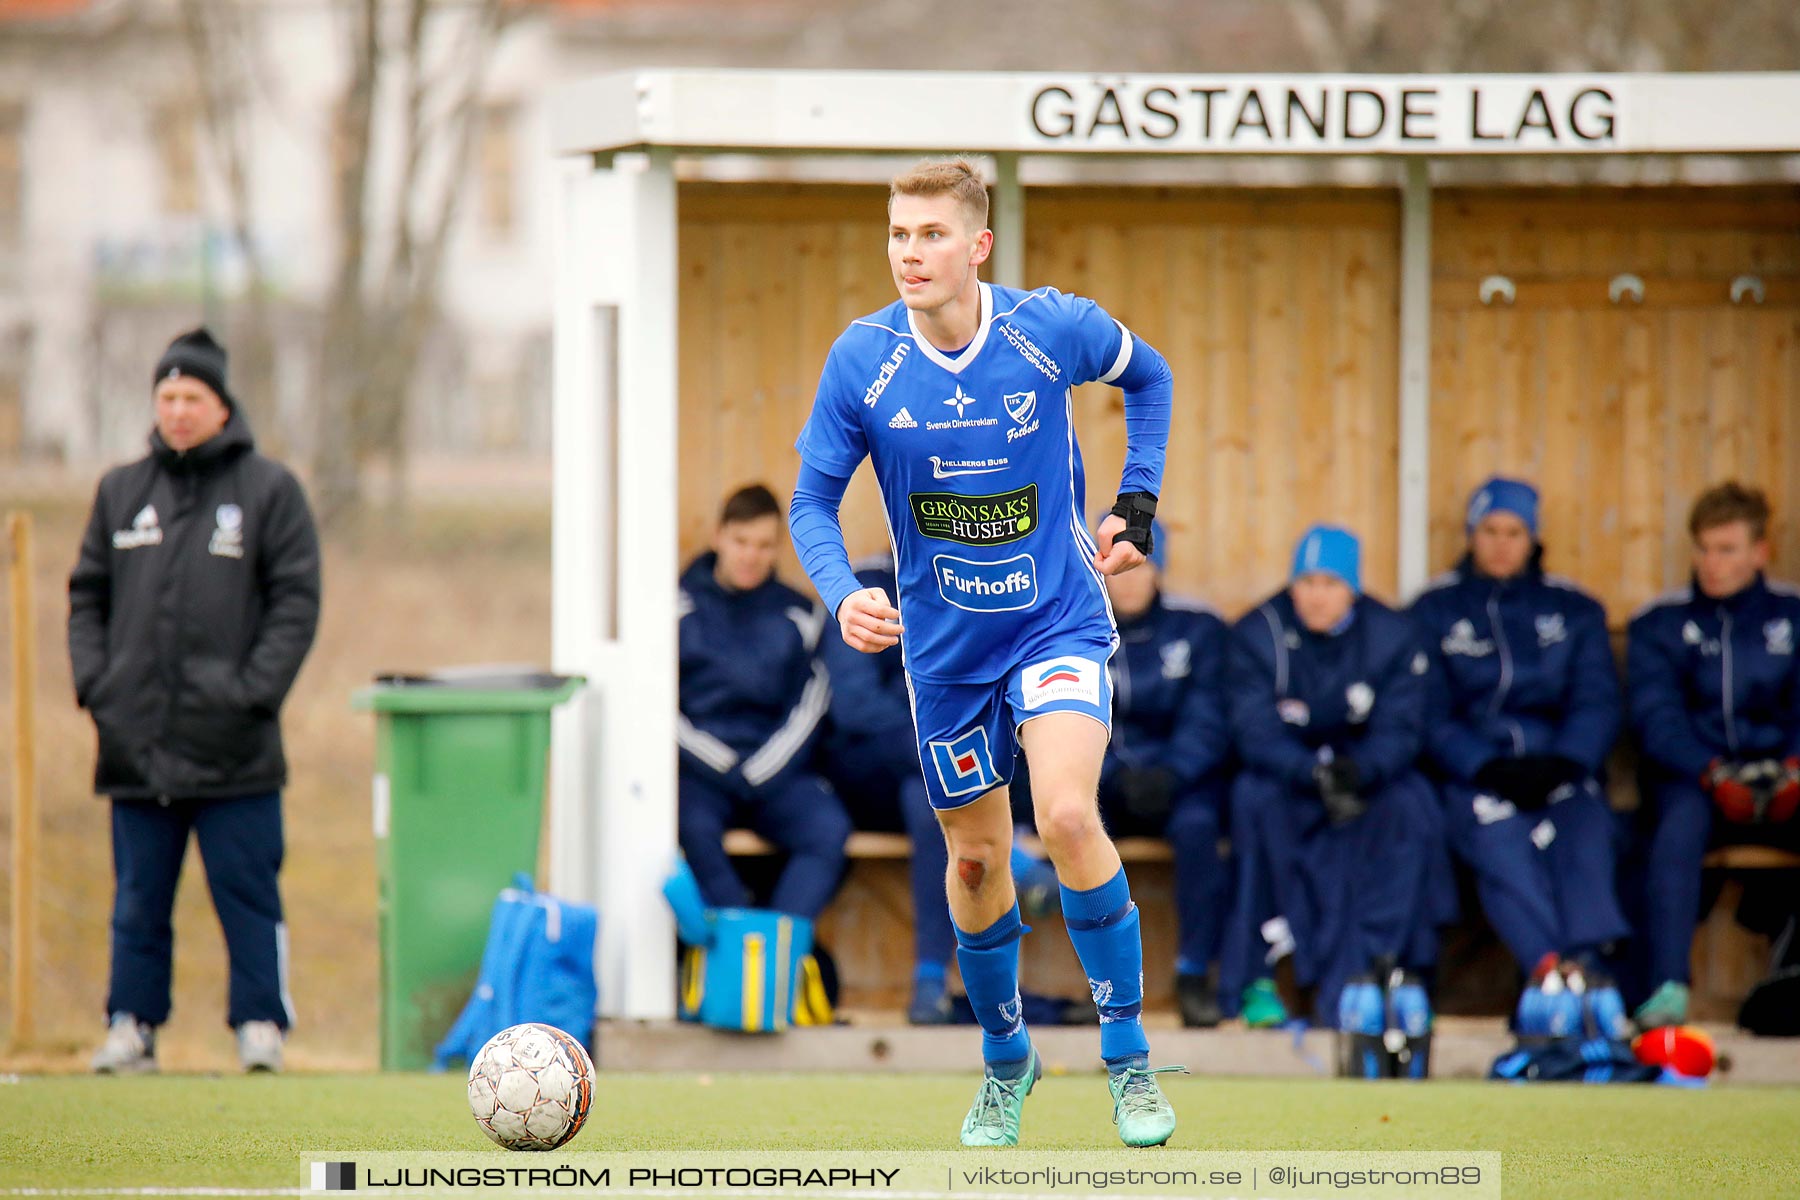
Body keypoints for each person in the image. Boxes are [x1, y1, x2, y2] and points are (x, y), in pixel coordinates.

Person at [789, 158, 1181, 1147]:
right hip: (947, 654)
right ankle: (1007, 1061)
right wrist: (843, 597)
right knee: (973, 860)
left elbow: (1151, 375)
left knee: (1063, 812)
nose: (910, 254)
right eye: (897, 234)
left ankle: (1130, 1064)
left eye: (930, 235)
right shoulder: (863, 359)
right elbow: (810, 506)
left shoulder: (1045, 328)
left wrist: (1137, 499)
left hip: (1056, 621)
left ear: (978, 245)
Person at [71, 328, 321, 1074]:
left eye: (193, 397)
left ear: (221, 406)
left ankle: (260, 1027)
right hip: (137, 743)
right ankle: (132, 1024)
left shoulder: (268, 491)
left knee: (247, 893)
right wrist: (99, 687)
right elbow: (87, 596)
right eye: (167, 396)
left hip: (234, 747)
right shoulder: (122, 491)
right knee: (139, 899)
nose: (178, 410)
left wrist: (253, 694)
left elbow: (296, 602)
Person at [816, 552, 1060, 1025]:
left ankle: (932, 979)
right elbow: (856, 708)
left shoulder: (974, 585)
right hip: (869, 774)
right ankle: (1015, 872)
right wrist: (935, 738)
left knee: (929, 794)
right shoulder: (866, 587)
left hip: (944, 776)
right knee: (935, 784)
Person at [1409, 477, 1628, 987]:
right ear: (1470, 535)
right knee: (1499, 839)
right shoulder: (1434, 610)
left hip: (1560, 769)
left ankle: (1589, 964)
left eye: (1513, 531)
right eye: (1490, 530)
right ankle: (1552, 969)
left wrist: (1565, 762)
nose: (1502, 543)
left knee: (1587, 827)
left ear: (1532, 538)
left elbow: (1596, 701)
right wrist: (1485, 765)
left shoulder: (1575, 609)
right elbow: (1429, 714)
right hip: (1477, 777)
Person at [1219, 525, 1436, 1029]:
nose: (1316, 596)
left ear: (1352, 589)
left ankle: (1377, 971)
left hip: (1364, 778)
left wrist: (1360, 771)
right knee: (1252, 797)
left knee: (1412, 804)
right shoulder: (1258, 631)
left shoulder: (1391, 634)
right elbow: (1252, 730)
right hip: (1288, 776)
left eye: (1330, 584)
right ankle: (1257, 975)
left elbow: (1405, 728)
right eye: (1307, 582)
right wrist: (1312, 773)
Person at [1626, 482, 1800, 1028]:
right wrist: (1711, 771)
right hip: (1696, 781)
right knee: (1674, 830)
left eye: (1726, 549)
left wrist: (1793, 768)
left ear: (1759, 552)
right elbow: (1658, 720)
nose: (1711, 562)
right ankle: (1667, 991)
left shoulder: (1792, 616)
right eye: (1703, 548)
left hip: (1783, 779)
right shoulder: (1661, 622)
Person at [676, 484, 850, 921]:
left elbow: (812, 706)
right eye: (741, 541)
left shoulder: (800, 614)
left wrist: (758, 772)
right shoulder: (674, 608)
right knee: (688, 825)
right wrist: (720, 765)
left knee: (828, 828)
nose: (751, 555)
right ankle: (737, 946)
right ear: (718, 536)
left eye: (764, 545)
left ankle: (775, 953)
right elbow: (659, 708)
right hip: (700, 774)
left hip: (775, 773)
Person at [1094, 519, 1234, 1027]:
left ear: (1159, 570)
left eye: (1142, 565)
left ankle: (1194, 974)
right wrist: (1110, 778)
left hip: (1178, 785)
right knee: (1068, 827)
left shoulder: (1198, 628)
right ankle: (1099, 988)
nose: (1129, 578)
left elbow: (1210, 715)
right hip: (1101, 787)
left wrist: (1172, 774)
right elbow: (1059, 715)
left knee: (1200, 830)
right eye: (1117, 566)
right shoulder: (1071, 625)